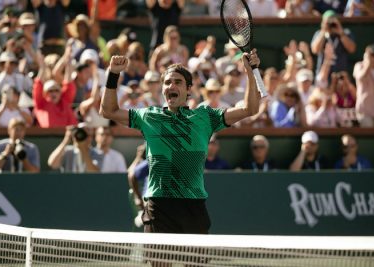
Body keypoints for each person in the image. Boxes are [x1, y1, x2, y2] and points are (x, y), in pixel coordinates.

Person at [100, 48, 261, 238]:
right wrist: (113, 74)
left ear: (188, 89)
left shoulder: (205, 117)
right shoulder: (149, 116)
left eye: (178, 82)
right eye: (167, 82)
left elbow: (250, 108)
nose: (171, 86)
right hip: (158, 203)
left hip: (193, 203)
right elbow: (109, 111)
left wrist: (251, 72)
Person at [310, 10, 356, 78]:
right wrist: (323, 31)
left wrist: (341, 33)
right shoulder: (319, 34)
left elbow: (352, 49)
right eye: (328, 22)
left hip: (341, 75)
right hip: (324, 77)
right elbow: (315, 50)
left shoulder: (346, 33)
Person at [353, 44, 374, 127]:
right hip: (365, 111)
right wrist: (368, 64)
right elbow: (360, 78)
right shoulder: (359, 66)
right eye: (372, 55)